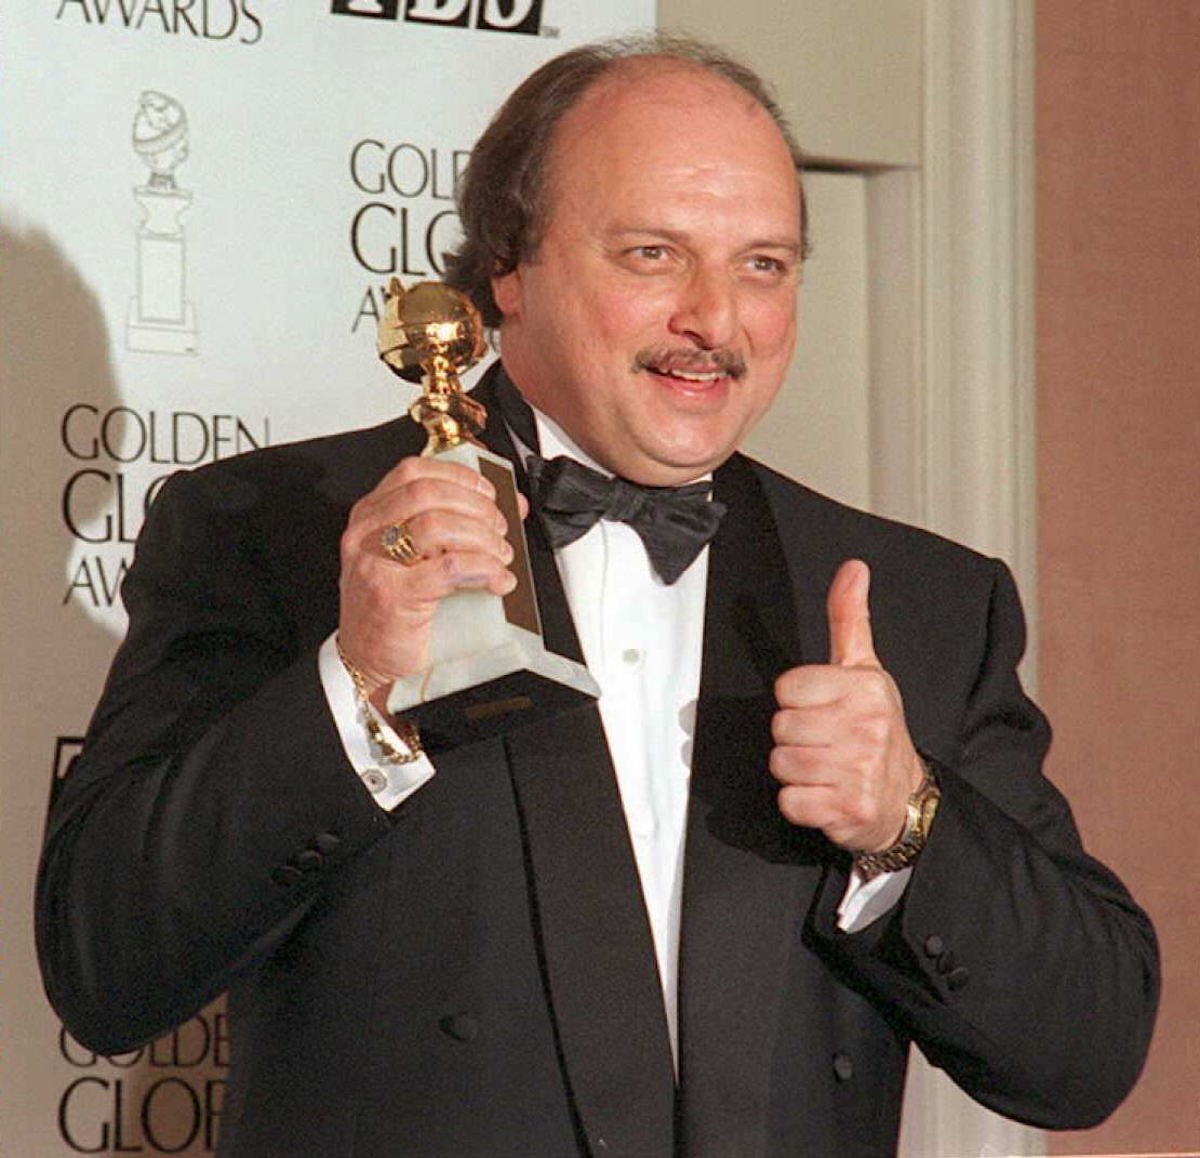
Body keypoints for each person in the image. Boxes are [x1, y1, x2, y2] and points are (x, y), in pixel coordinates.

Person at [37, 34, 1158, 1158]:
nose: (717, 322)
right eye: (654, 254)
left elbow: (1088, 1051)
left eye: (763, 264)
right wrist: (360, 682)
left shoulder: (921, 600)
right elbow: (103, 966)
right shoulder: (276, 533)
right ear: (508, 268)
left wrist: (906, 821)